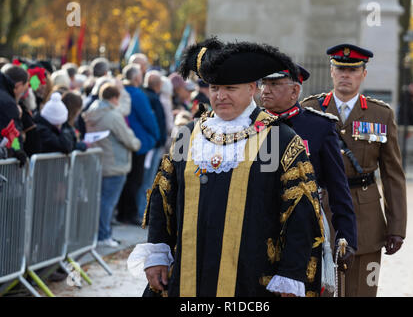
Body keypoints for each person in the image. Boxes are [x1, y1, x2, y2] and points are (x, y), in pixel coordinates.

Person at [128, 38, 324, 297]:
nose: (220, 96)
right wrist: (156, 254)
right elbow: (163, 199)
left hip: (251, 280)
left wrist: (290, 274)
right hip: (188, 276)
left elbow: (301, 214)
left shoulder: (279, 138)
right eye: (215, 87)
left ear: (252, 88)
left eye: (230, 88)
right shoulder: (189, 134)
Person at [301, 44, 407, 297]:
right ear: (331, 72)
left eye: (353, 70)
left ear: (363, 74)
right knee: (321, 288)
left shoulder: (380, 114)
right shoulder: (312, 109)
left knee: (362, 290)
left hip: (366, 215)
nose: (345, 75)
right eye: (340, 69)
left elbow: (393, 174)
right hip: (322, 209)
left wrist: (397, 227)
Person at [261, 65, 357, 295]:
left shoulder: (318, 126)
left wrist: (346, 237)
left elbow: (338, 188)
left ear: (295, 91)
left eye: (274, 84)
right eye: (264, 84)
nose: (265, 90)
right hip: (259, 227)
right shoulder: (250, 126)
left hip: (303, 231)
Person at [84, 83, 141, 247]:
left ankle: (99, 234)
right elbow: (128, 139)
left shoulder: (91, 112)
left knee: (100, 201)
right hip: (115, 163)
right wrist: (136, 142)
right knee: (108, 202)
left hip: (98, 162)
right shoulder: (113, 115)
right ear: (115, 98)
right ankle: (104, 235)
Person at [116, 64, 160, 225]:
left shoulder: (121, 91)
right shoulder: (137, 94)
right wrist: (156, 135)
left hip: (126, 140)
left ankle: (123, 213)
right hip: (138, 142)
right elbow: (148, 117)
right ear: (136, 78)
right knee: (135, 180)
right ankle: (130, 213)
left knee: (128, 179)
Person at [137, 71, 167, 220]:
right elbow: (153, 122)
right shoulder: (152, 98)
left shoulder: (147, 96)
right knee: (147, 181)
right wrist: (157, 139)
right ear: (158, 84)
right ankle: (142, 213)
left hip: (152, 144)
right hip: (152, 146)